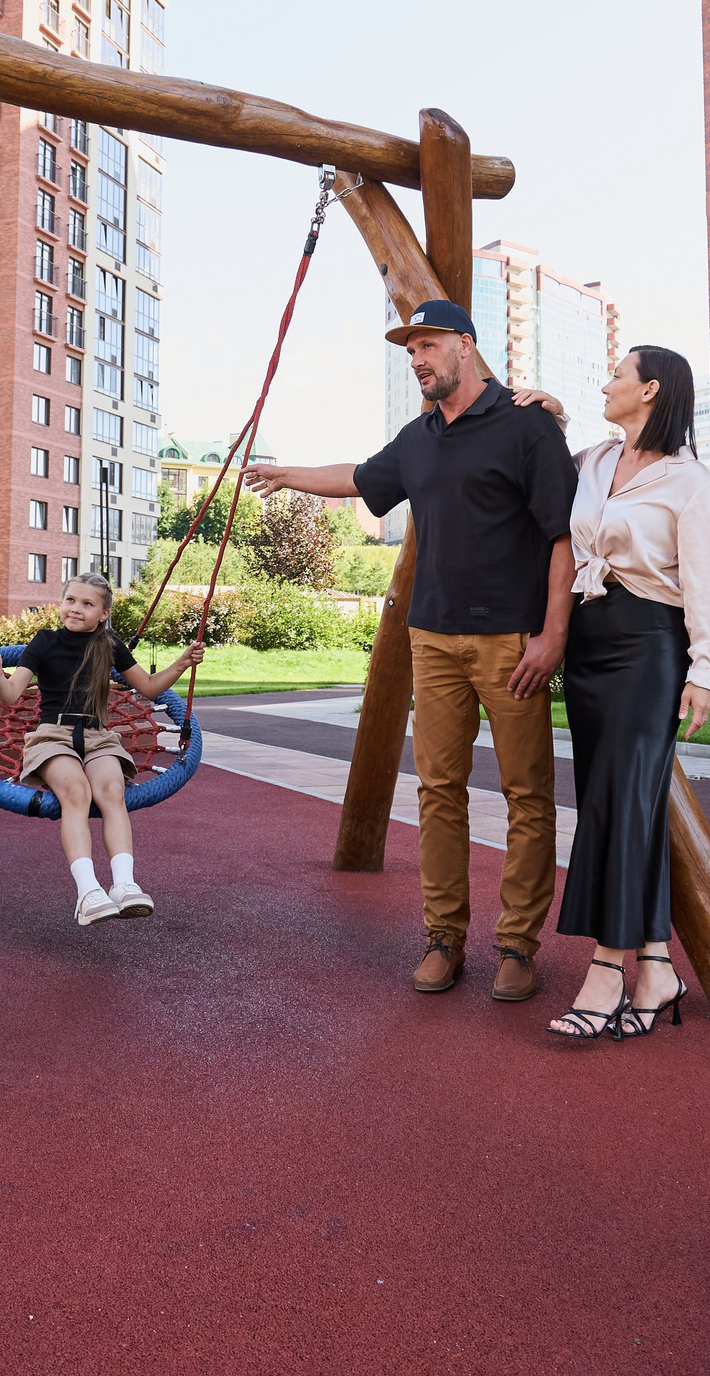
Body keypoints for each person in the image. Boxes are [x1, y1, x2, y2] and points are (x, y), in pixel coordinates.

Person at [245, 299, 578, 1002]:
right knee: (438, 794)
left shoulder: (527, 426)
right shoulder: (418, 436)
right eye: (409, 351)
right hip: (433, 638)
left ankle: (518, 944)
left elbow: (561, 537)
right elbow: (361, 478)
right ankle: (444, 939)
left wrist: (553, 635)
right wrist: (287, 474)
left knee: (527, 797)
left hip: (511, 642)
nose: (418, 359)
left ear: (465, 345)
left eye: (426, 345)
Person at [517, 348, 710, 1041]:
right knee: (620, 801)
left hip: (649, 646)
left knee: (619, 803)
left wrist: (702, 670)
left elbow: (703, 585)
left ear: (651, 390)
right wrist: (554, 415)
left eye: (617, 374)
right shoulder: (597, 461)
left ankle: (608, 969)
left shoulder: (693, 484)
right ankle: (658, 965)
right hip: (590, 643)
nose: (606, 382)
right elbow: (561, 509)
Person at [0, 572, 205, 925]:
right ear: (62, 602)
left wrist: (182, 662)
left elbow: (147, 688)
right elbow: (9, 698)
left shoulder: (110, 644)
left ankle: (124, 885)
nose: (75, 609)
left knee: (113, 791)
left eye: (87, 604)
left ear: (103, 614)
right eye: (71, 600)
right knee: (76, 791)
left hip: (99, 735)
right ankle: (87, 892)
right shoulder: (44, 642)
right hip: (53, 736)